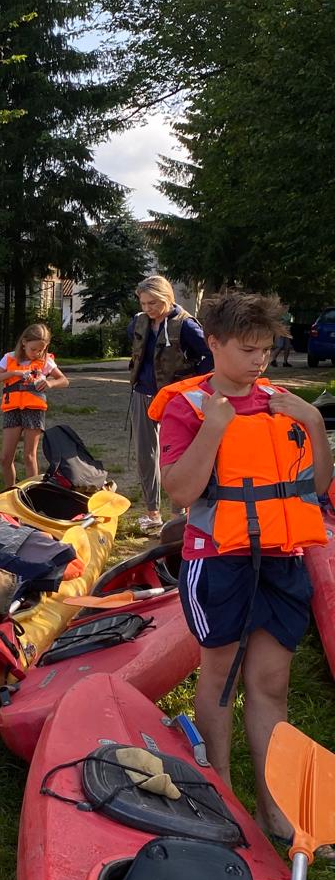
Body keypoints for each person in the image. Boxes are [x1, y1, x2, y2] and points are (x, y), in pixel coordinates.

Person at [153, 291, 332, 839]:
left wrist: (314, 423)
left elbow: (318, 487)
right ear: (213, 343)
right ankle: (224, 803)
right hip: (218, 562)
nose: (259, 360)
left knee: (272, 684)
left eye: (266, 349)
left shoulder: (285, 404)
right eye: (248, 349)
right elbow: (180, 492)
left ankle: (274, 810)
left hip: (282, 561)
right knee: (221, 679)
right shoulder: (186, 406)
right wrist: (214, 427)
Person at [128, 275, 211, 535]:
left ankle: (178, 515)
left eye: (153, 303)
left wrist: (194, 383)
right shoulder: (138, 322)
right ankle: (152, 512)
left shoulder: (186, 325)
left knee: (177, 453)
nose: (148, 308)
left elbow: (209, 354)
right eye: (143, 303)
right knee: (146, 454)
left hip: (176, 397)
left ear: (166, 297)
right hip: (143, 394)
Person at [0, 323, 69, 488]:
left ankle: (33, 494)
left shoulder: (45, 361)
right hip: (12, 410)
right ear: (24, 342)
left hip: (34, 410)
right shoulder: (9, 358)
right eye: (34, 349)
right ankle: (10, 492)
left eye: (41, 350)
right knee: (5, 458)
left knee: (29, 457)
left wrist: (50, 383)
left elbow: (64, 380)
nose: (37, 353)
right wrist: (13, 373)